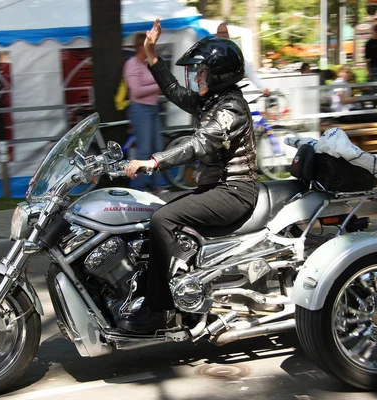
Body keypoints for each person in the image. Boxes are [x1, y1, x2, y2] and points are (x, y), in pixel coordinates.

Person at [121, 18, 259, 333]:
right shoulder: (209, 100)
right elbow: (171, 90)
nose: (197, 76)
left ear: (220, 73)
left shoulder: (230, 109)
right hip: (215, 188)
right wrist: (151, 53)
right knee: (152, 215)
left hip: (234, 191)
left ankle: (160, 310)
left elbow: (199, 143)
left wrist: (154, 161)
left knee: (163, 220)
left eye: (202, 71)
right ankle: (144, 292)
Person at [123, 32, 168, 192]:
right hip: (140, 109)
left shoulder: (147, 64)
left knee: (157, 148)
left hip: (153, 108)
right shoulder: (131, 64)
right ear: (141, 48)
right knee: (144, 150)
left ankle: (157, 185)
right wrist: (158, 85)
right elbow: (136, 91)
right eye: (149, 46)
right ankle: (138, 188)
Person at [216, 22, 270, 96]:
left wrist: (263, 87)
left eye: (225, 33)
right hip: (214, 94)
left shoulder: (235, 53)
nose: (223, 35)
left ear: (228, 36)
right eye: (221, 33)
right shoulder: (210, 52)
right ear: (217, 35)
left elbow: (248, 70)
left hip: (231, 94)